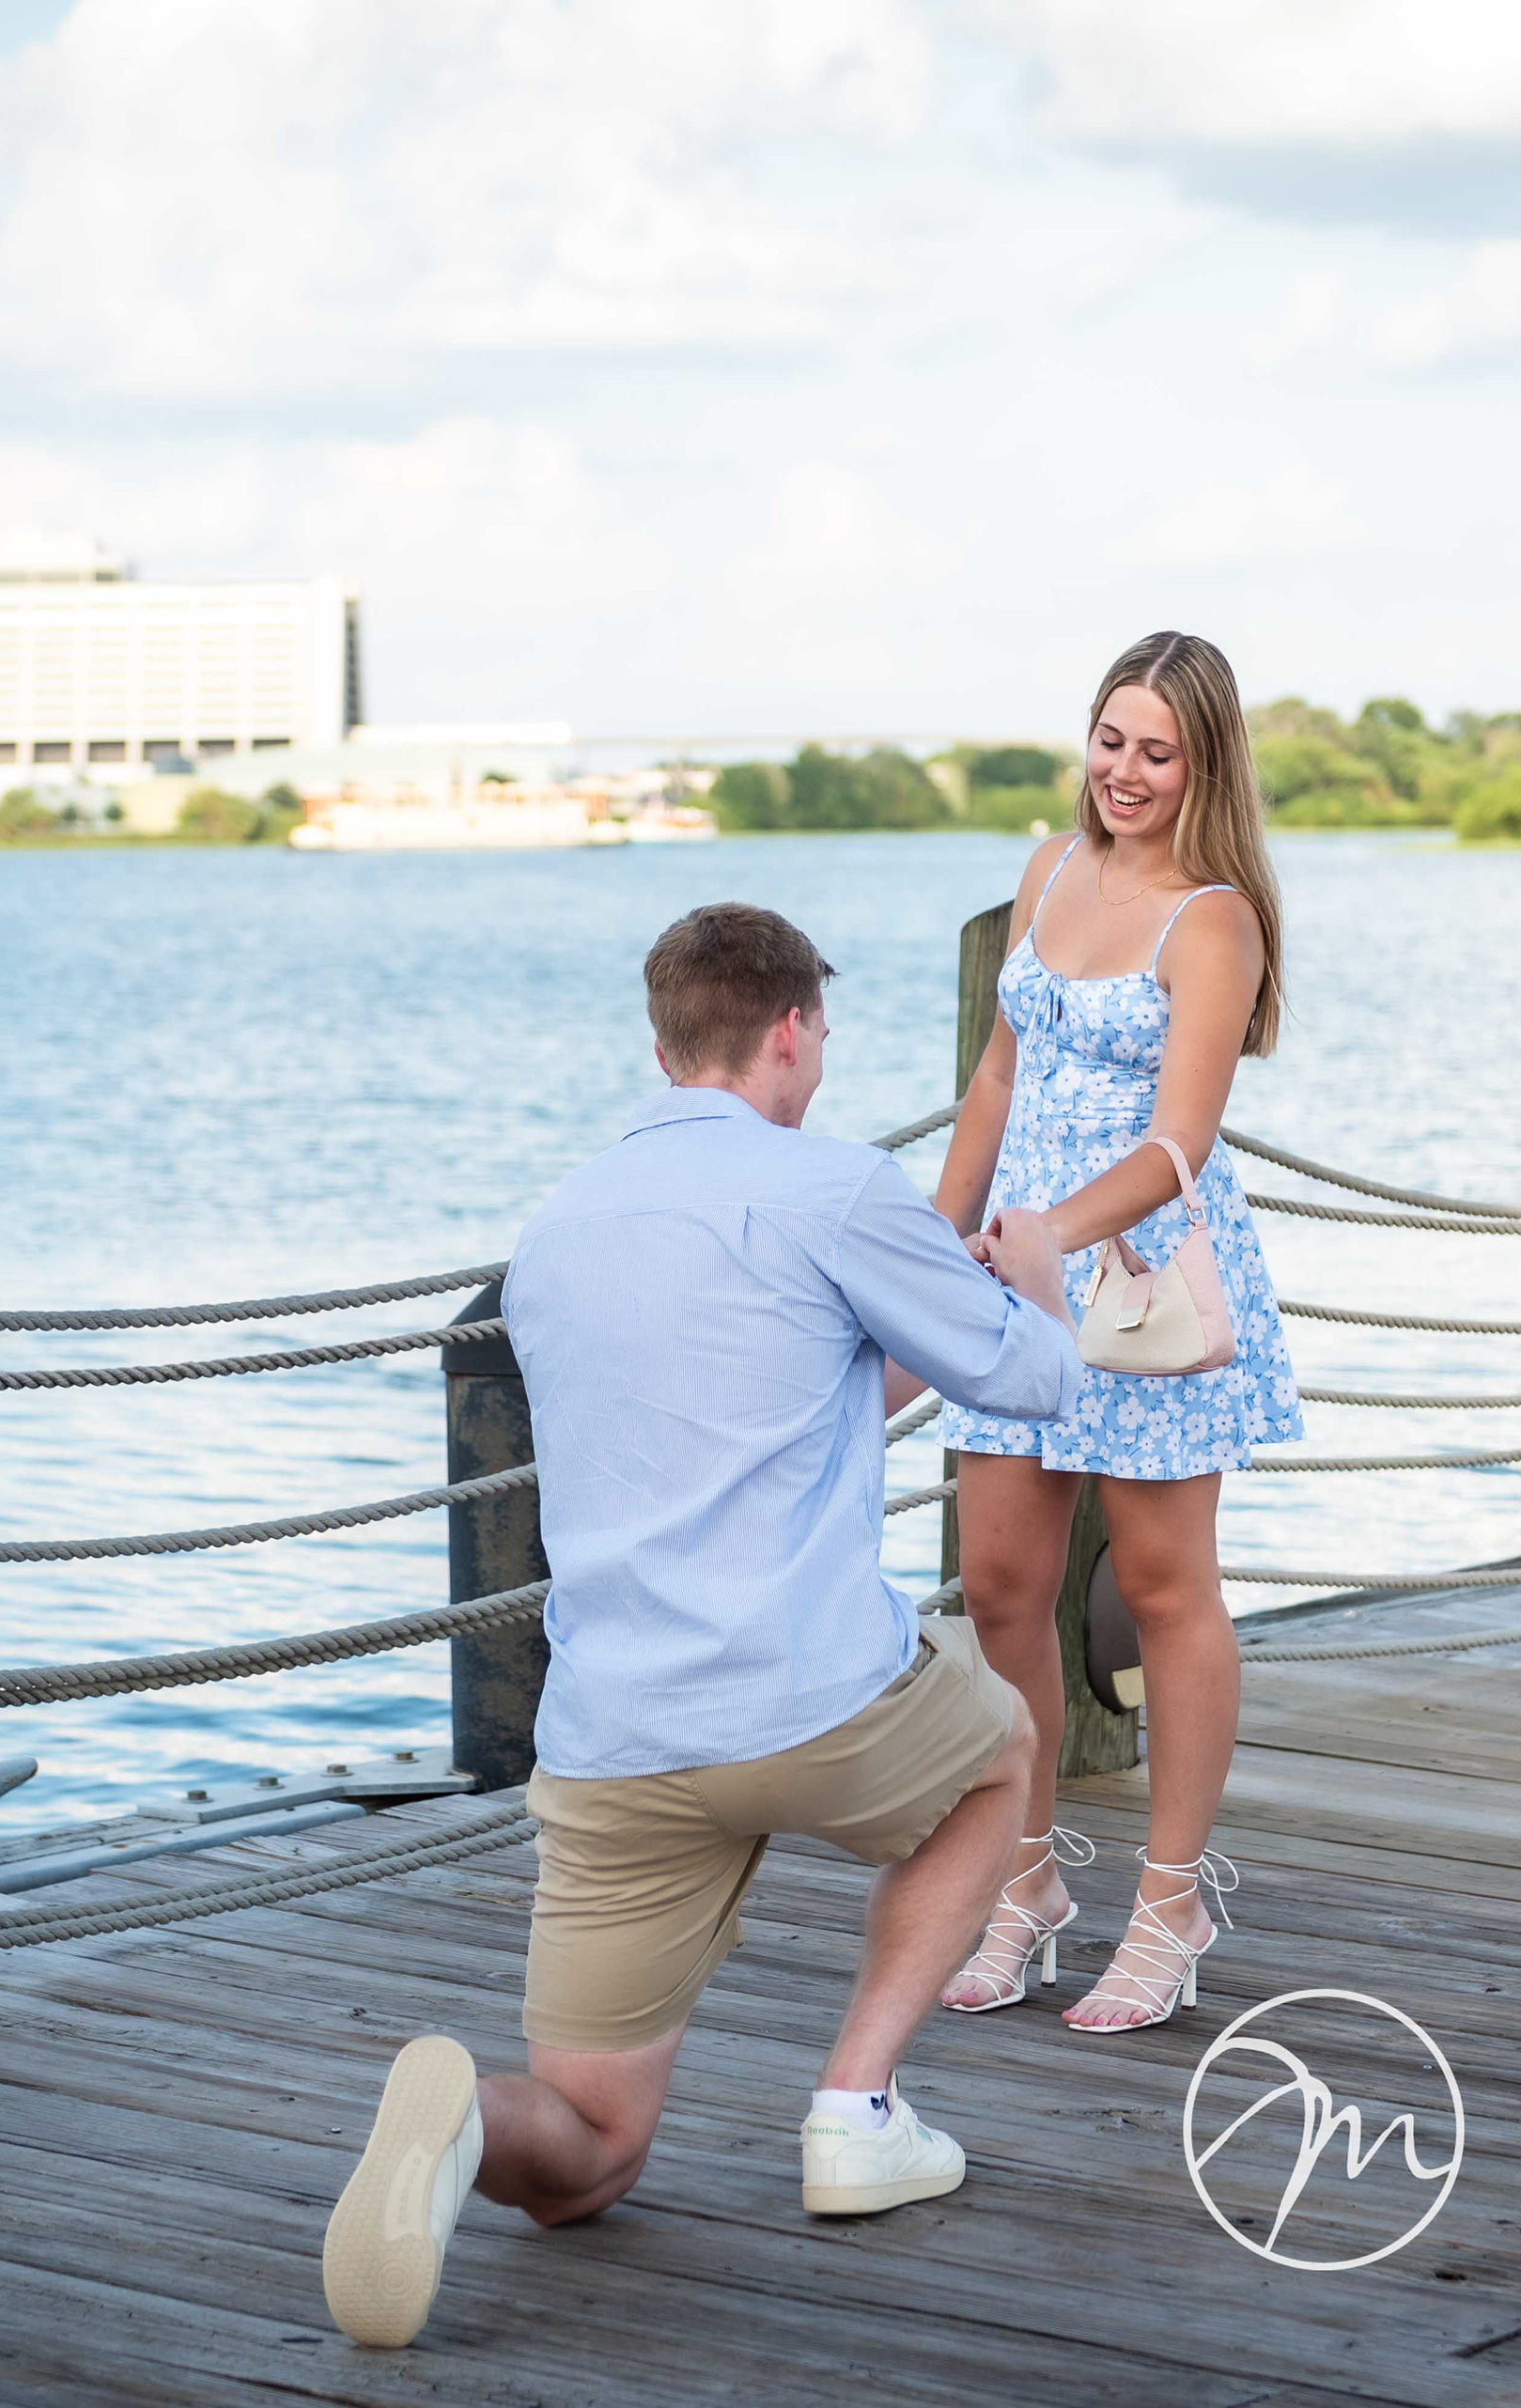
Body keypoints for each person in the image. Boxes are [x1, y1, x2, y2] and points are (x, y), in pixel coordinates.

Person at [323, 903, 1085, 2350]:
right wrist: (1033, 1275)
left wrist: (919, 1337)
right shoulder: (834, 1186)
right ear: (792, 1029)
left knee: (590, 2154)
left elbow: (791, 1415)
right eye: (818, 1041)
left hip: (617, 1741)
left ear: (663, 1040)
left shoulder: (556, 1233)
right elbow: (1034, 1384)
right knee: (1002, 1749)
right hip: (812, 1704)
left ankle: (471, 2128)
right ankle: (854, 2109)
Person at [930, 629, 1300, 2034]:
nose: (1125, 771)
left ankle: (1168, 1906)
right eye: (1110, 739)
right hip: (1013, 1273)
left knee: (1161, 1589)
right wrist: (932, 1250)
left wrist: (1054, 1241)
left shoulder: (1211, 919)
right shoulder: (1046, 872)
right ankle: (1022, 1888)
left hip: (1141, 1280)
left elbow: (1180, 1144)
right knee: (1003, 1583)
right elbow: (992, 1082)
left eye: (1156, 749)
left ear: (1201, 765)